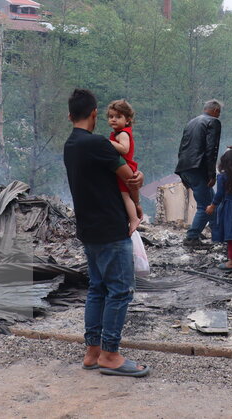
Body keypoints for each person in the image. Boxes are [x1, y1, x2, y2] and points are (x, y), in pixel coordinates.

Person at [63, 88, 149, 377]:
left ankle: (92, 352)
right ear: (95, 114)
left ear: (69, 115)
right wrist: (137, 197)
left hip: (88, 228)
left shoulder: (70, 145)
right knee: (120, 291)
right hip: (111, 227)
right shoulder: (98, 143)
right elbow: (131, 178)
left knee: (97, 289)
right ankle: (110, 354)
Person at [174, 99, 222, 245]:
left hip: (186, 167)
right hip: (199, 168)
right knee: (206, 205)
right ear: (215, 111)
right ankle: (192, 237)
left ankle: (217, 234)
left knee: (213, 202)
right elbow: (211, 149)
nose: (219, 116)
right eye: (219, 112)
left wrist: (182, 174)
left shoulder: (191, 122)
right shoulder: (213, 122)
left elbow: (182, 147)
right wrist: (212, 174)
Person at [106, 99, 141, 235]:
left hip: (125, 167)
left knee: (125, 195)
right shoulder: (118, 133)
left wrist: (108, 143)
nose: (113, 120)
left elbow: (124, 149)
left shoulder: (123, 134)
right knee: (126, 195)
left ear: (127, 120)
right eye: (111, 117)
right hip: (124, 167)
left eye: (118, 117)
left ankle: (133, 219)